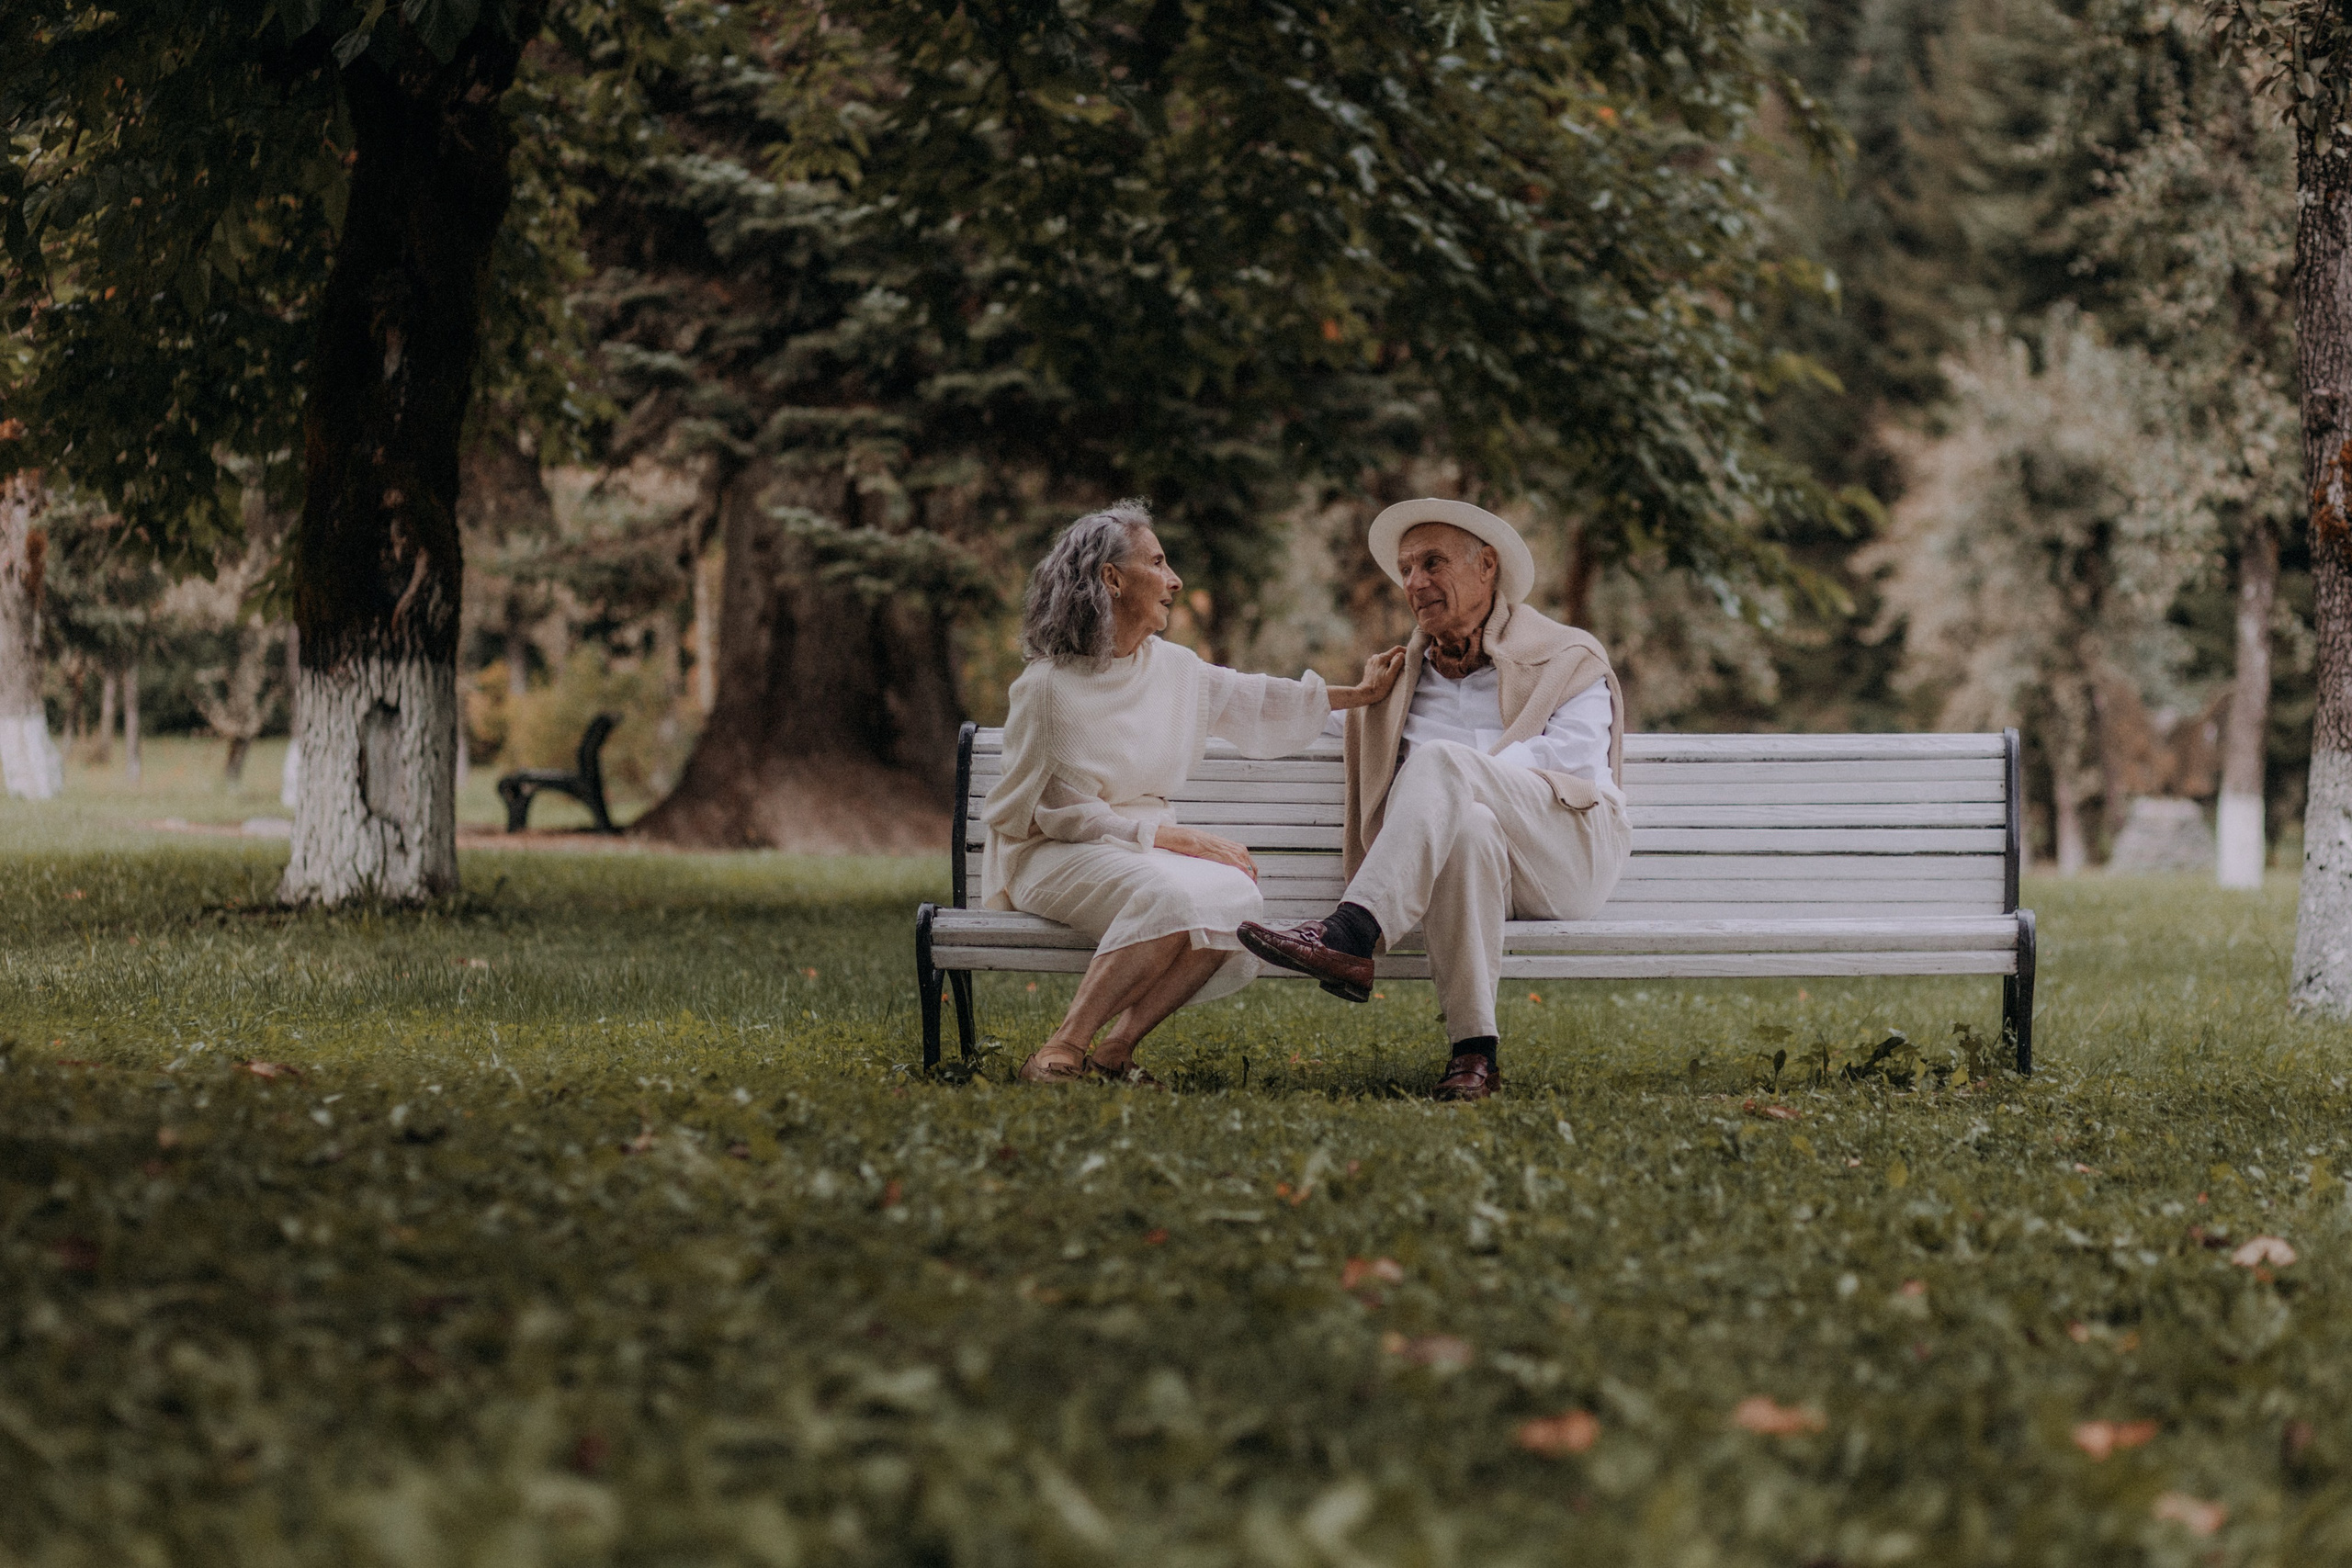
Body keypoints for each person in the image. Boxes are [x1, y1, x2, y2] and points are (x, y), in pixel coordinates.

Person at [982, 501, 1408, 1085]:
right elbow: (1060, 815)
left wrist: (1358, 696)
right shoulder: (1048, 688)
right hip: (1051, 852)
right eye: (1157, 563)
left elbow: (1256, 699)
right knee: (1170, 896)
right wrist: (1179, 839)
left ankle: (1116, 1051)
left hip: (1141, 848)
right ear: (1112, 579)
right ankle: (1061, 1049)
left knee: (1235, 899)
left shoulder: (1174, 668)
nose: (1174, 579)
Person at [1238, 499, 1632, 1101]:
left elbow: (1575, 763)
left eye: (1432, 562)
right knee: (1469, 825)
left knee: (1444, 763)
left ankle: (1351, 932)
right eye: (1406, 570)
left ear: (1487, 567)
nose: (1415, 583)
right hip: (1477, 867)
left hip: (1568, 853)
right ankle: (1474, 1053)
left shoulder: (1568, 656)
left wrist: (1464, 769)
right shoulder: (1396, 682)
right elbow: (1309, 718)